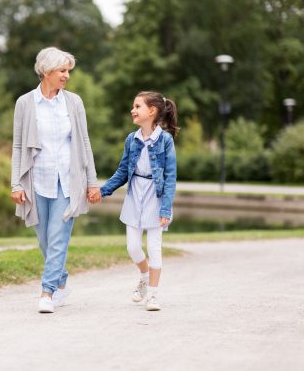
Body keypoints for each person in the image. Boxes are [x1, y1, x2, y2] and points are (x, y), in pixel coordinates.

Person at [11, 47, 101, 314]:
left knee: (58, 238)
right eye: (63, 71)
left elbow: (84, 142)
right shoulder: (25, 103)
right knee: (45, 242)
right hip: (36, 181)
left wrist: (92, 182)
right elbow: (18, 146)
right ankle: (61, 281)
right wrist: (16, 183)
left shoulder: (73, 102)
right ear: (46, 71)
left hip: (67, 181)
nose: (67, 76)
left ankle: (47, 292)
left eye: (68, 71)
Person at [99, 91, 179, 311]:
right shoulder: (131, 139)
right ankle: (144, 276)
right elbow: (123, 171)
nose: (132, 110)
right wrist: (103, 190)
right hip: (135, 196)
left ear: (151, 111)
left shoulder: (165, 140)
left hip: (156, 197)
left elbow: (170, 177)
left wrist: (165, 208)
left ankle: (152, 295)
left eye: (137, 106)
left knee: (154, 248)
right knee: (133, 247)